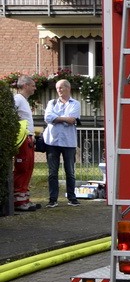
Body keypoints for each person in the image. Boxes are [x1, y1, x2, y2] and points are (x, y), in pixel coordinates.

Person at [43, 79, 82, 207]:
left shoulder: (75, 103)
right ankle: (53, 199)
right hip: (52, 142)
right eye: (57, 88)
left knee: (70, 171)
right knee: (52, 172)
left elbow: (72, 119)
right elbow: (48, 118)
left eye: (61, 87)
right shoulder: (51, 102)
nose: (59, 90)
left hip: (68, 142)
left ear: (68, 88)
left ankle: (72, 198)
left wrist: (56, 119)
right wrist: (64, 119)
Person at [12, 75, 41, 212]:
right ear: (25, 86)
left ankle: (24, 198)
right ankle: (18, 200)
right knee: (23, 167)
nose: (35, 88)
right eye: (33, 85)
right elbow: (13, 115)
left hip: (28, 138)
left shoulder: (23, 100)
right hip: (23, 138)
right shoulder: (18, 99)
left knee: (28, 167)